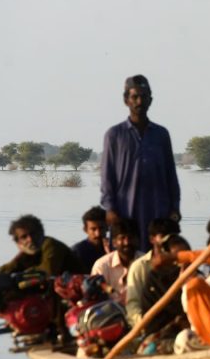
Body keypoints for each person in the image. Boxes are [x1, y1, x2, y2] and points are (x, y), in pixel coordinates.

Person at [101, 74, 181, 252]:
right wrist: (110, 209)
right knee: (126, 258)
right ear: (126, 100)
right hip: (125, 211)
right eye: (134, 96)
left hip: (158, 210)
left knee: (159, 258)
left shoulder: (161, 134)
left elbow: (171, 175)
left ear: (150, 100)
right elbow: (107, 177)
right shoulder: (114, 135)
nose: (139, 101)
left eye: (144, 96)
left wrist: (175, 208)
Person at [125, 218, 181, 327]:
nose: (169, 241)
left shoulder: (181, 264)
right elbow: (133, 304)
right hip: (149, 326)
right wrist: (144, 324)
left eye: (173, 237)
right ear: (152, 239)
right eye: (164, 236)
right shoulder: (140, 267)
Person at [0, 214, 83, 276]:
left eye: (33, 234)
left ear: (42, 233)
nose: (30, 239)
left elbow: (49, 270)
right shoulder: (27, 253)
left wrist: (21, 274)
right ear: (18, 243)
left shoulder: (50, 245)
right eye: (24, 237)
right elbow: (9, 268)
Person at [90, 218, 143, 305]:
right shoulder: (102, 265)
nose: (127, 242)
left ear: (138, 239)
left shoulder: (146, 262)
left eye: (130, 237)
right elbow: (94, 298)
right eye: (122, 238)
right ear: (114, 242)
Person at [70, 206, 109, 274]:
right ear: (85, 229)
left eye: (101, 228)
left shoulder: (115, 249)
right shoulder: (77, 252)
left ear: (107, 227)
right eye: (93, 229)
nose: (98, 234)